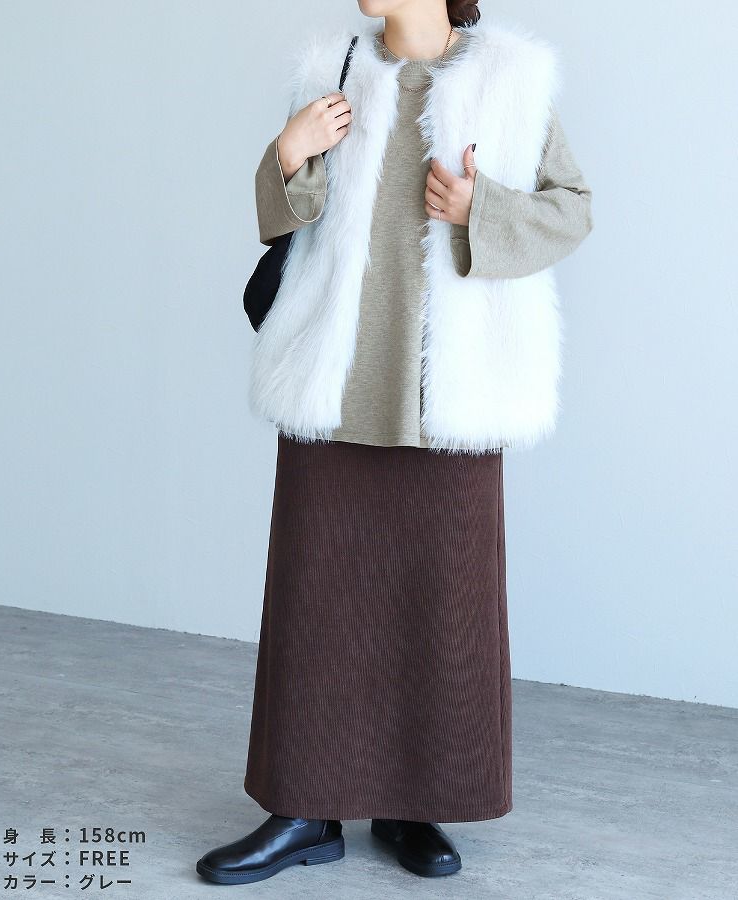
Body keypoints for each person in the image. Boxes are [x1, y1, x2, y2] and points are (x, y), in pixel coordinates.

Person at [197, 0, 593, 885]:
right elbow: (293, 216)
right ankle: (302, 809)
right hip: (334, 383)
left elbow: (574, 210)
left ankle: (412, 804)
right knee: (316, 604)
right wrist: (287, 154)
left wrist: (482, 208)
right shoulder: (332, 69)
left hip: (452, 397)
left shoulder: (513, 79)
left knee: (440, 609)